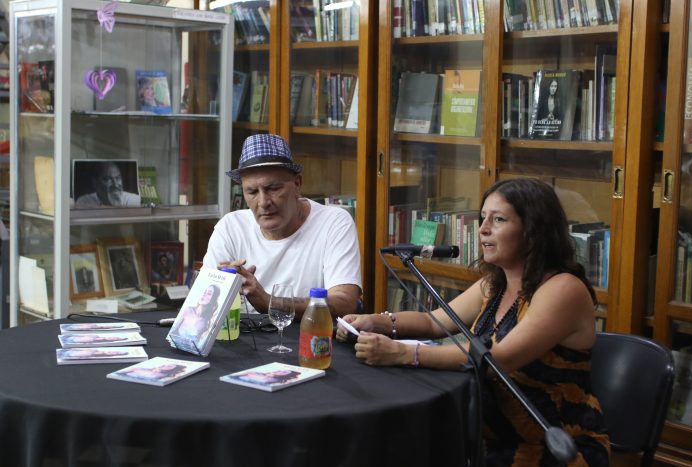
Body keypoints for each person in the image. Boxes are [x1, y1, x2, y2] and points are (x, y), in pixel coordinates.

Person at [337, 178, 610, 466]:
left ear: (534, 230)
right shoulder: (495, 283)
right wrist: (377, 322)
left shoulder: (563, 289)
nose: (483, 229)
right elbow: (434, 322)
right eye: (483, 219)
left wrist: (404, 353)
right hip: (488, 436)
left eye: (499, 219)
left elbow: (499, 357)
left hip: (553, 447)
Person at [202, 134, 362, 319]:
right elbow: (203, 305)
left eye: (273, 188)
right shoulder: (231, 227)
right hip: (244, 340)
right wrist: (220, 285)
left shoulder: (333, 222)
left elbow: (345, 302)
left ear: (297, 184)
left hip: (305, 340)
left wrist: (269, 302)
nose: (263, 202)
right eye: (252, 192)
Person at [75, 161, 141, 207]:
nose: (115, 184)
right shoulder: (85, 201)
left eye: (118, 178)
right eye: (108, 179)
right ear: (95, 183)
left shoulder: (133, 199)